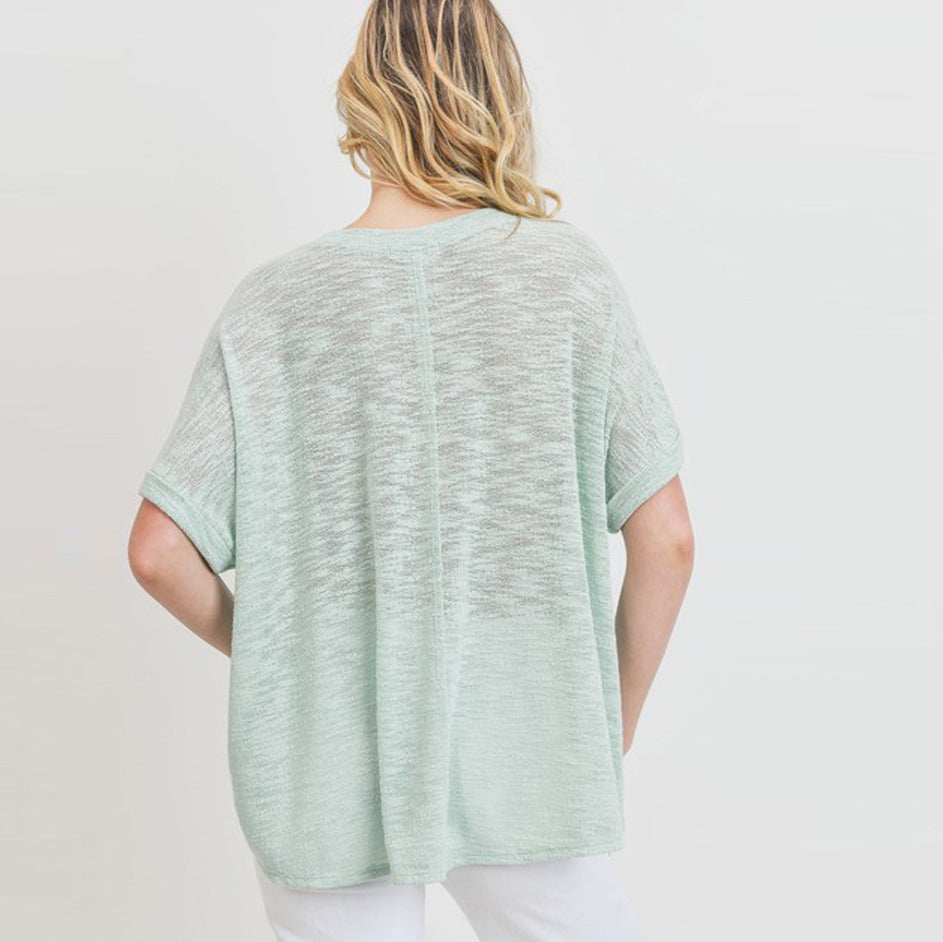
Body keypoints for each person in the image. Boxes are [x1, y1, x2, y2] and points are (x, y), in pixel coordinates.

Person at [127, 0, 695, 939]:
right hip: (528, 749)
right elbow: (666, 538)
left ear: (361, 96)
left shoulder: (273, 306)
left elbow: (157, 552)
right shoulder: (567, 280)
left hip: (323, 768)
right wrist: (609, 721)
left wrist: (281, 651)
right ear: (501, 94)